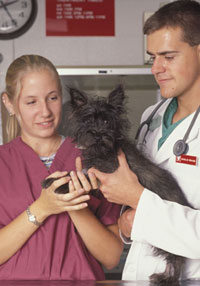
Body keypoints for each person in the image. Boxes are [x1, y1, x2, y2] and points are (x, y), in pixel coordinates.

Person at [89, 0, 200, 281]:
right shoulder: (152, 116)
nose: (156, 68)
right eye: (153, 57)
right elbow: (136, 209)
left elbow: (139, 198)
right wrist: (126, 226)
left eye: (168, 56)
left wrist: (136, 198)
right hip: (141, 274)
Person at [0, 54, 123, 280]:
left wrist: (74, 205)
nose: (45, 111)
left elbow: (111, 256)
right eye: (31, 102)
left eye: (52, 98)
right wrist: (42, 208)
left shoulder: (94, 158)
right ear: (9, 103)